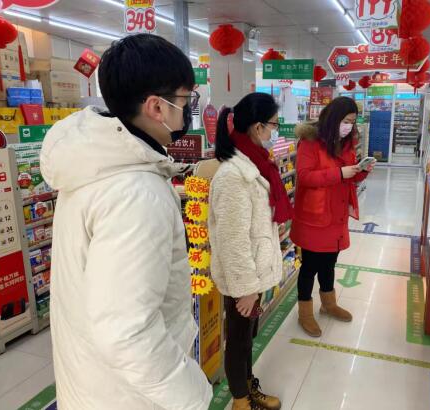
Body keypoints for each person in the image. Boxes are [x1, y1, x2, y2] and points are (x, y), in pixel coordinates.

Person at [40, 34, 212, 410]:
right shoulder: (136, 193)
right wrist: (192, 395)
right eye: (186, 100)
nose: (189, 110)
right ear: (157, 107)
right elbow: (127, 331)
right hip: (130, 396)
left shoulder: (94, 165)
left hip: (95, 382)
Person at [208, 93, 292, 410]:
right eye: (273, 125)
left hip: (253, 278)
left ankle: (247, 387)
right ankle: (240, 401)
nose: (274, 132)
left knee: (247, 337)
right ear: (258, 127)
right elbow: (233, 240)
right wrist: (246, 290)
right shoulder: (234, 175)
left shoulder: (255, 164)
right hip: (243, 282)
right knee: (239, 340)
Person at [290, 97, 375, 338]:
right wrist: (339, 173)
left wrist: (361, 172)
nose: (349, 126)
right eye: (346, 121)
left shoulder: (346, 143)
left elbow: (349, 176)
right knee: (310, 267)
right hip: (314, 217)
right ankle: (305, 312)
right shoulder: (309, 142)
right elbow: (305, 176)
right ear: (333, 118)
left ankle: (328, 303)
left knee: (329, 262)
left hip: (336, 215)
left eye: (352, 122)